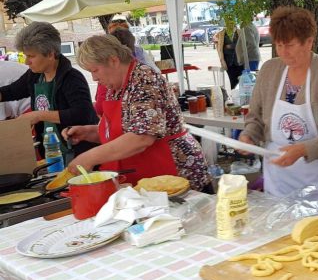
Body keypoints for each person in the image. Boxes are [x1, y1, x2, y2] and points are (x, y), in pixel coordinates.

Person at [239, 6, 318, 221]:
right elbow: (256, 117)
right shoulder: (269, 71)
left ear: (309, 42)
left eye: (290, 45)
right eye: (278, 45)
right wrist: (250, 135)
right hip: (282, 177)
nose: (283, 52)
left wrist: (304, 149)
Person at [63, 35, 210, 191]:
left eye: (95, 70)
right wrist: (88, 132)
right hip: (144, 172)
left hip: (174, 170)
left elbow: (141, 137)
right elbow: (120, 132)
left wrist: (89, 157)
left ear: (113, 60)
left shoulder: (144, 79)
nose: (94, 78)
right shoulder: (114, 87)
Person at [0, 22, 99, 159]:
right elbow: (11, 91)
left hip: (78, 152)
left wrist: (39, 115)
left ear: (51, 54)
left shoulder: (72, 78)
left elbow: (83, 114)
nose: (26, 62)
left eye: (31, 56)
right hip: (50, 151)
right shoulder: (34, 75)